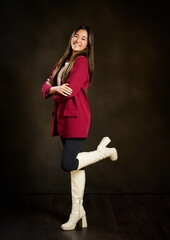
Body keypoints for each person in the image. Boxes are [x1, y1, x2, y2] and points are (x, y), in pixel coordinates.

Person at [42, 25, 118, 231]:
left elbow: (70, 90)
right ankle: (78, 211)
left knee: (68, 163)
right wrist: (53, 88)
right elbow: (45, 86)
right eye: (76, 36)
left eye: (83, 39)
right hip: (63, 119)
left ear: (88, 45)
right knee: (76, 166)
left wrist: (53, 90)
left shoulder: (81, 61)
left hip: (76, 117)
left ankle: (104, 152)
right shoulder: (62, 62)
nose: (78, 40)